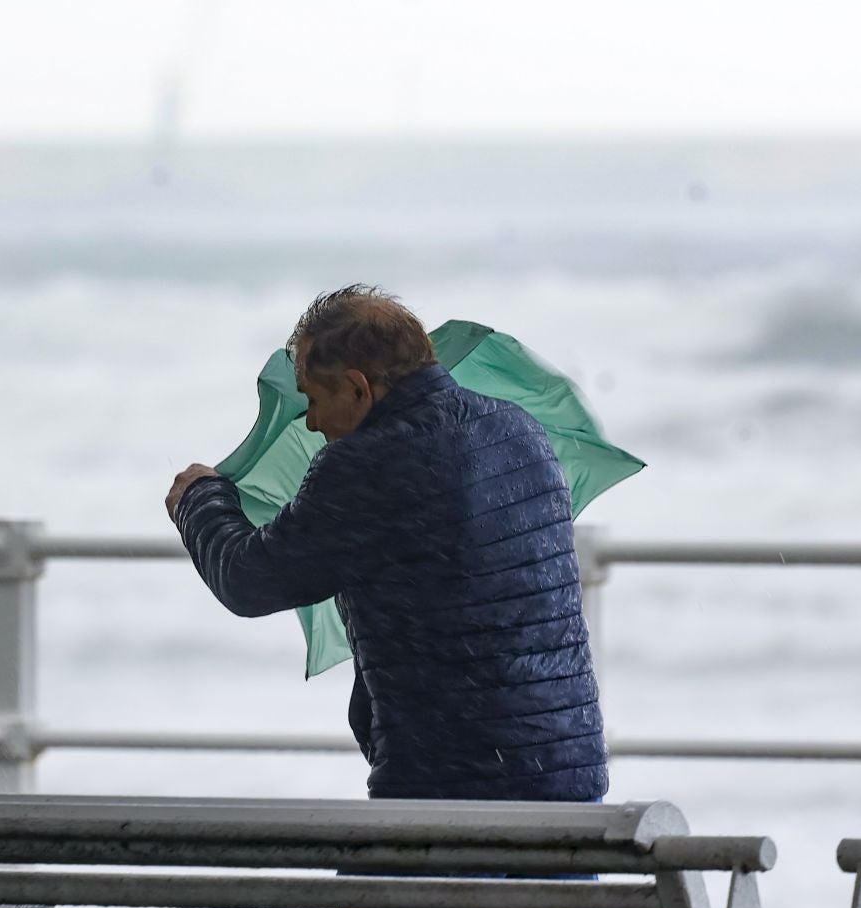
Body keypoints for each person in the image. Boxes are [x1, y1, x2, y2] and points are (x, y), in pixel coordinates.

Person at [165, 284, 607, 803]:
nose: (311, 421)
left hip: (450, 787)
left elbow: (249, 580)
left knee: (366, 891)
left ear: (357, 388)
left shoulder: (366, 465)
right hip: (569, 775)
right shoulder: (521, 430)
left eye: (312, 397)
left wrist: (200, 498)